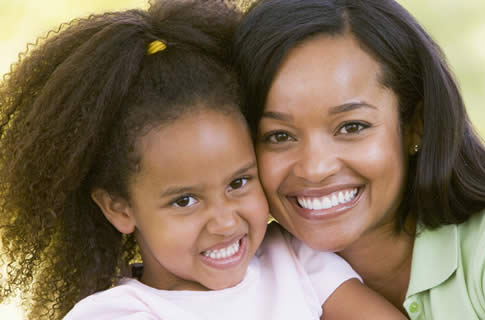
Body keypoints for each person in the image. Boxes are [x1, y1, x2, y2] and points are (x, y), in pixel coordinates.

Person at [0, 1, 407, 319]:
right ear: (119, 207)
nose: (226, 221)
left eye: (238, 183)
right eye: (185, 201)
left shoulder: (295, 260)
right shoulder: (121, 313)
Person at [233, 0, 485, 319]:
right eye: (278, 136)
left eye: (352, 127)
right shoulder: (243, 277)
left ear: (415, 124)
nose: (315, 167)